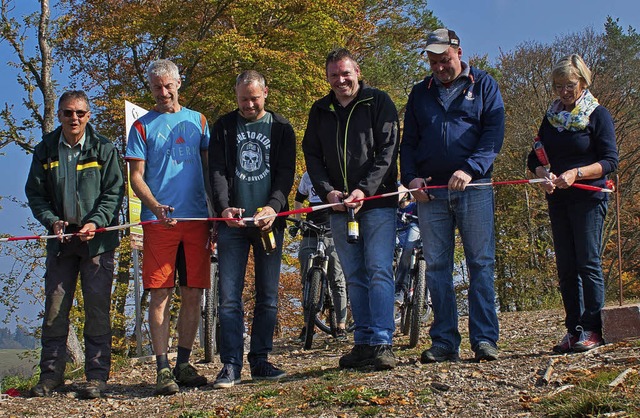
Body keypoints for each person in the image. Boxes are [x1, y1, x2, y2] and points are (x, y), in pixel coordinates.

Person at [400, 28, 504, 363]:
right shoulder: (420, 94)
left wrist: (472, 168)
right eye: (433, 62)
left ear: (458, 52)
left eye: (444, 60)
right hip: (431, 192)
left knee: (480, 263)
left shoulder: (484, 84)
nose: (439, 67)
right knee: (438, 266)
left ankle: (485, 339)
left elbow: (493, 133)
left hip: (474, 187)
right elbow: (409, 143)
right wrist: (411, 179)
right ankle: (445, 340)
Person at [302, 48, 399, 371]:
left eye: (346, 73)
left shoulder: (378, 102)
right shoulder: (320, 110)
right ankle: (364, 341)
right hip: (339, 207)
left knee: (379, 270)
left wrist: (364, 189)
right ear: (327, 78)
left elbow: (388, 150)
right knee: (354, 275)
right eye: (334, 75)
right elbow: (312, 156)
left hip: (378, 202)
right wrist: (327, 190)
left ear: (357, 72)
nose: (341, 80)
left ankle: (383, 341)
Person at [25, 90, 124, 399]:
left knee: (97, 310)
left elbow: (114, 191)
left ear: (88, 115)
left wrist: (96, 220)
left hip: (98, 242)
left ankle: (96, 377)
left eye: (80, 113)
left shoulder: (105, 149)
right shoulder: (44, 150)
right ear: (60, 115)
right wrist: (51, 220)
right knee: (55, 310)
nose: (74, 118)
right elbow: (35, 193)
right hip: (61, 241)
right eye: (68, 113)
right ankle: (51, 376)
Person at [125, 59, 210, 395]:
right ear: (151, 89)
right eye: (156, 87)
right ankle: (163, 367)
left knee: (193, 293)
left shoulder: (199, 121)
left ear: (179, 84)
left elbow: (211, 171)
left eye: (168, 86)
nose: (163, 92)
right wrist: (155, 206)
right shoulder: (142, 127)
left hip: (198, 221)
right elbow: (135, 176)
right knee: (160, 293)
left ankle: (184, 363)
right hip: (159, 223)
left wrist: (216, 215)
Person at [209, 70, 296, 388]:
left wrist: (274, 205)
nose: (248, 104)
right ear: (236, 96)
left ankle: (260, 360)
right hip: (233, 222)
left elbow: (286, 171)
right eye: (243, 99)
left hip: (269, 222)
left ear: (266, 93)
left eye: (254, 98)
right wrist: (223, 207)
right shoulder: (223, 126)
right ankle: (230, 365)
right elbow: (217, 170)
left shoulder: (282, 127)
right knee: (229, 297)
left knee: (268, 296)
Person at [527, 54, 618, 353]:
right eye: (558, 86)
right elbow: (534, 157)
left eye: (569, 84)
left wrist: (576, 173)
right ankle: (574, 328)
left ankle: (594, 328)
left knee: (587, 263)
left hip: (589, 196)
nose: (564, 91)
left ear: (582, 82)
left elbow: (609, 161)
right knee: (566, 266)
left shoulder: (598, 115)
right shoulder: (551, 118)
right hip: (559, 199)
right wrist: (543, 172)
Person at [292, 171, 348, 341]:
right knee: (305, 278)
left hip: (333, 229)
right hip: (310, 229)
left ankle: (341, 326)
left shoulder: (338, 170)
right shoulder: (308, 176)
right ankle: (307, 326)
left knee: (337, 279)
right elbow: (298, 200)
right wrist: (297, 220)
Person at [394, 186, 421, 305]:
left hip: (414, 237)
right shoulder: (395, 211)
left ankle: (427, 292)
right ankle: (399, 289)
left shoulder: (414, 207)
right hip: (398, 240)